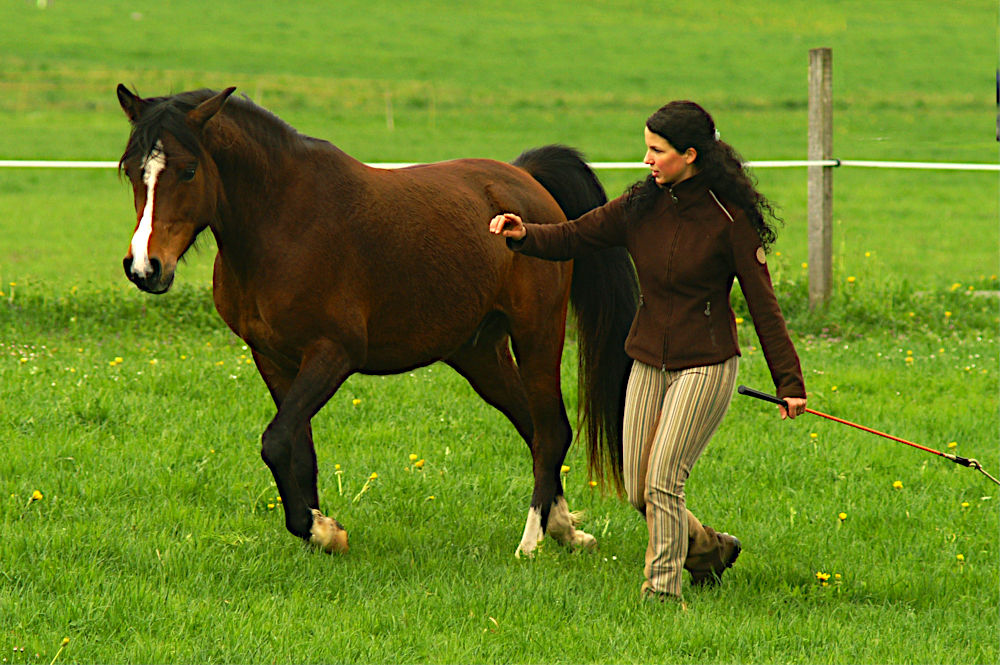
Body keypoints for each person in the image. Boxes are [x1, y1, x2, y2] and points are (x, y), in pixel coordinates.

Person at [489, 101, 807, 603]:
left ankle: (662, 593)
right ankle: (706, 551)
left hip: (705, 364)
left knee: (663, 482)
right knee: (639, 491)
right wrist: (524, 234)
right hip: (647, 360)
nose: (646, 159)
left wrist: (789, 383)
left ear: (690, 154)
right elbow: (578, 233)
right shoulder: (642, 203)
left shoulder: (730, 219)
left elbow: (764, 306)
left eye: (656, 151)